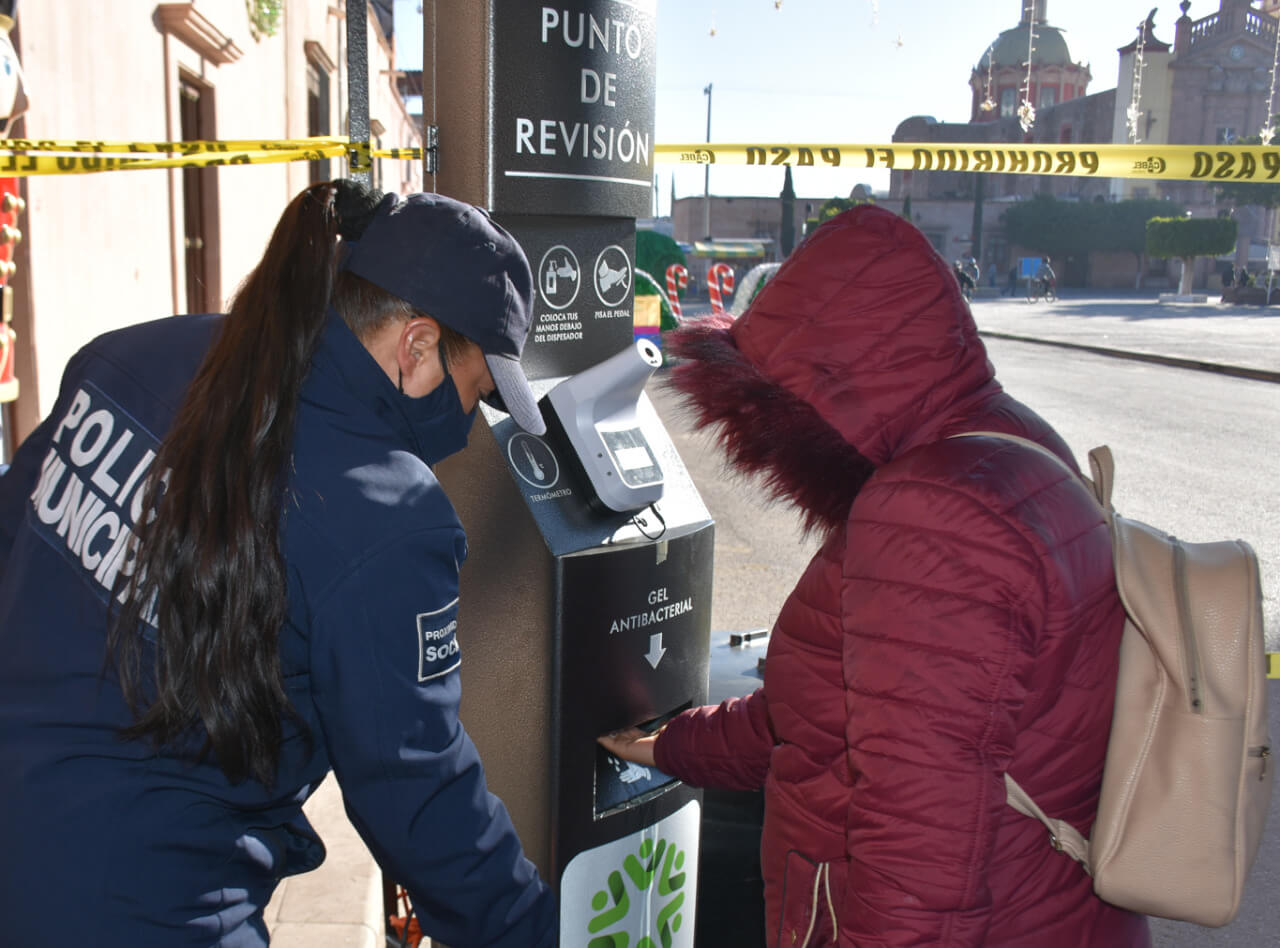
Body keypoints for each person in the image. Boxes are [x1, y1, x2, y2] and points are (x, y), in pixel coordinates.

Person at [0, 181, 558, 946]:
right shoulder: (389, 519)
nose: (469, 424)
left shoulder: (130, 353)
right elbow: (418, 788)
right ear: (418, 345)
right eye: (475, 393)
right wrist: (534, 930)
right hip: (149, 902)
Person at [601, 206, 1150, 947]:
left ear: (827, 381)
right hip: (1054, 906)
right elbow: (846, 715)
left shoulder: (929, 511)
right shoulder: (1012, 447)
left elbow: (922, 836)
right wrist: (671, 746)